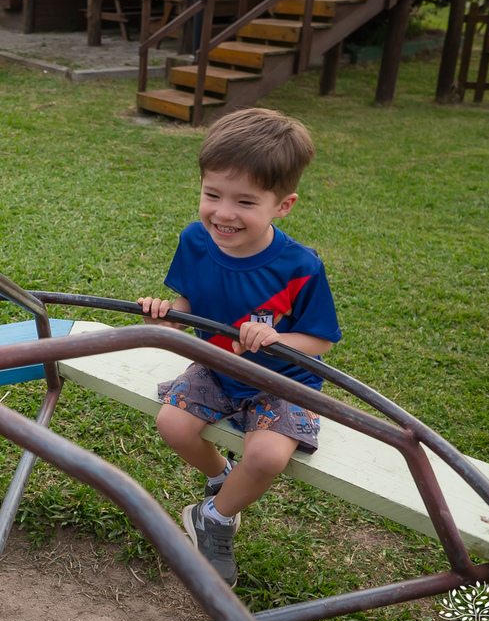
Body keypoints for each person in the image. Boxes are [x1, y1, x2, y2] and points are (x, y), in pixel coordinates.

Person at [137, 108, 341, 587]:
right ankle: (220, 478)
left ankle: (215, 516)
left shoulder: (300, 267)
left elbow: (320, 342)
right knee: (172, 424)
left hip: (280, 381)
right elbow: (187, 306)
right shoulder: (195, 240)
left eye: (245, 201)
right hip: (215, 366)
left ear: (283, 205)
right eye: (212, 194)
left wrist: (277, 339)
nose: (223, 213)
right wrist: (164, 312)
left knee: (268, 457)